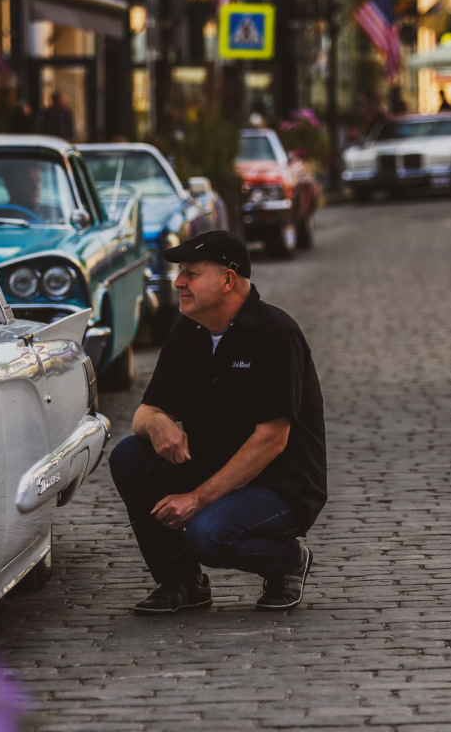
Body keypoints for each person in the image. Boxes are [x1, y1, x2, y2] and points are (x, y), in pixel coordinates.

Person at [109, 230, 327, 615]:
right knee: (128, 455)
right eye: (180, 273)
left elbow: (272, 440)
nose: (179, 282)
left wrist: (196, 499)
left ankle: (287, 559)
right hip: (213, 467)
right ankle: (183, 583)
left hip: (279, 486)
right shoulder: (187, 330)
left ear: (228, 279)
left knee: (207, 534)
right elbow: (145, 412)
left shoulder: (276, 334)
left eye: (191, 273)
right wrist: (158, 423)